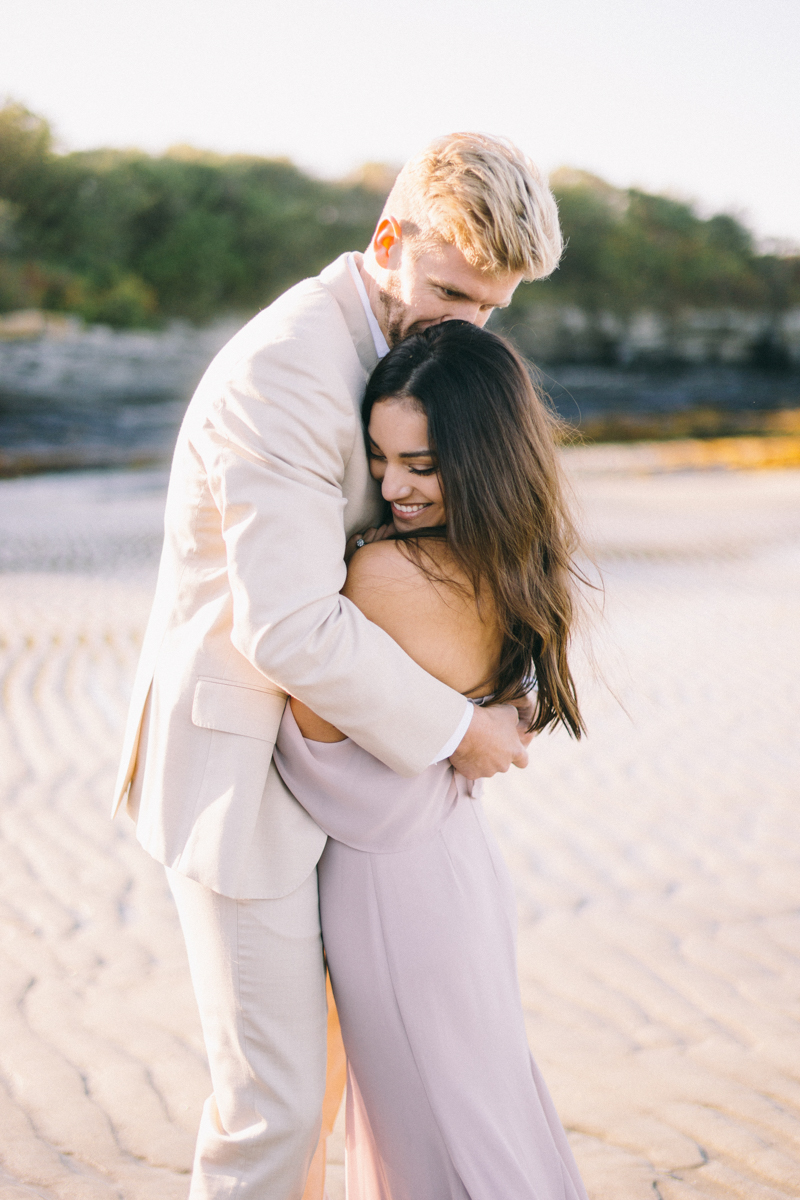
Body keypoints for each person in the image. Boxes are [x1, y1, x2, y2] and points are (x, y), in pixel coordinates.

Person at [111, 133, 564, 1199]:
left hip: (342, 773)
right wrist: (462, 730)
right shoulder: (287, 370)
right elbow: (292, 630)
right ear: (384, 240)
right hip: (238, 782)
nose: (468, 328)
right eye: (451, 292)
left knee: (336, 1094)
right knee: (273, 1111)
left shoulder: (399, 344)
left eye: (491, 311)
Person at [274, 320, 588, 1200]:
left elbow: (303, 714)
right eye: (380, 459)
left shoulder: (382, 581)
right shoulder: (504, 566)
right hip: (452, 878)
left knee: (444, 1148)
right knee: (482, 1121)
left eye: (423, 464)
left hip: (394, 905)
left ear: (483, 456)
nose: (393, 486)